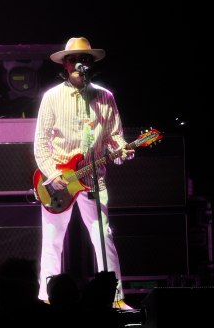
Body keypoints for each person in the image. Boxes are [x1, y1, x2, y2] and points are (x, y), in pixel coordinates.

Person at [34, 37, 134, 309]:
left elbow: (115, 138)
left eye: (86, 59)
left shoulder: (105, 97)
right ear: (65, 64)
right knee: (53, 241)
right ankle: (46, 300)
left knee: (104, 237)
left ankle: (116, 299)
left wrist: (124, 150)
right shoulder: (51, 97)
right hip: (58, 181)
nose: (81, 64)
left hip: (93, 179)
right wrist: (54, 176)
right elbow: (41, 143)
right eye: (75, 59)